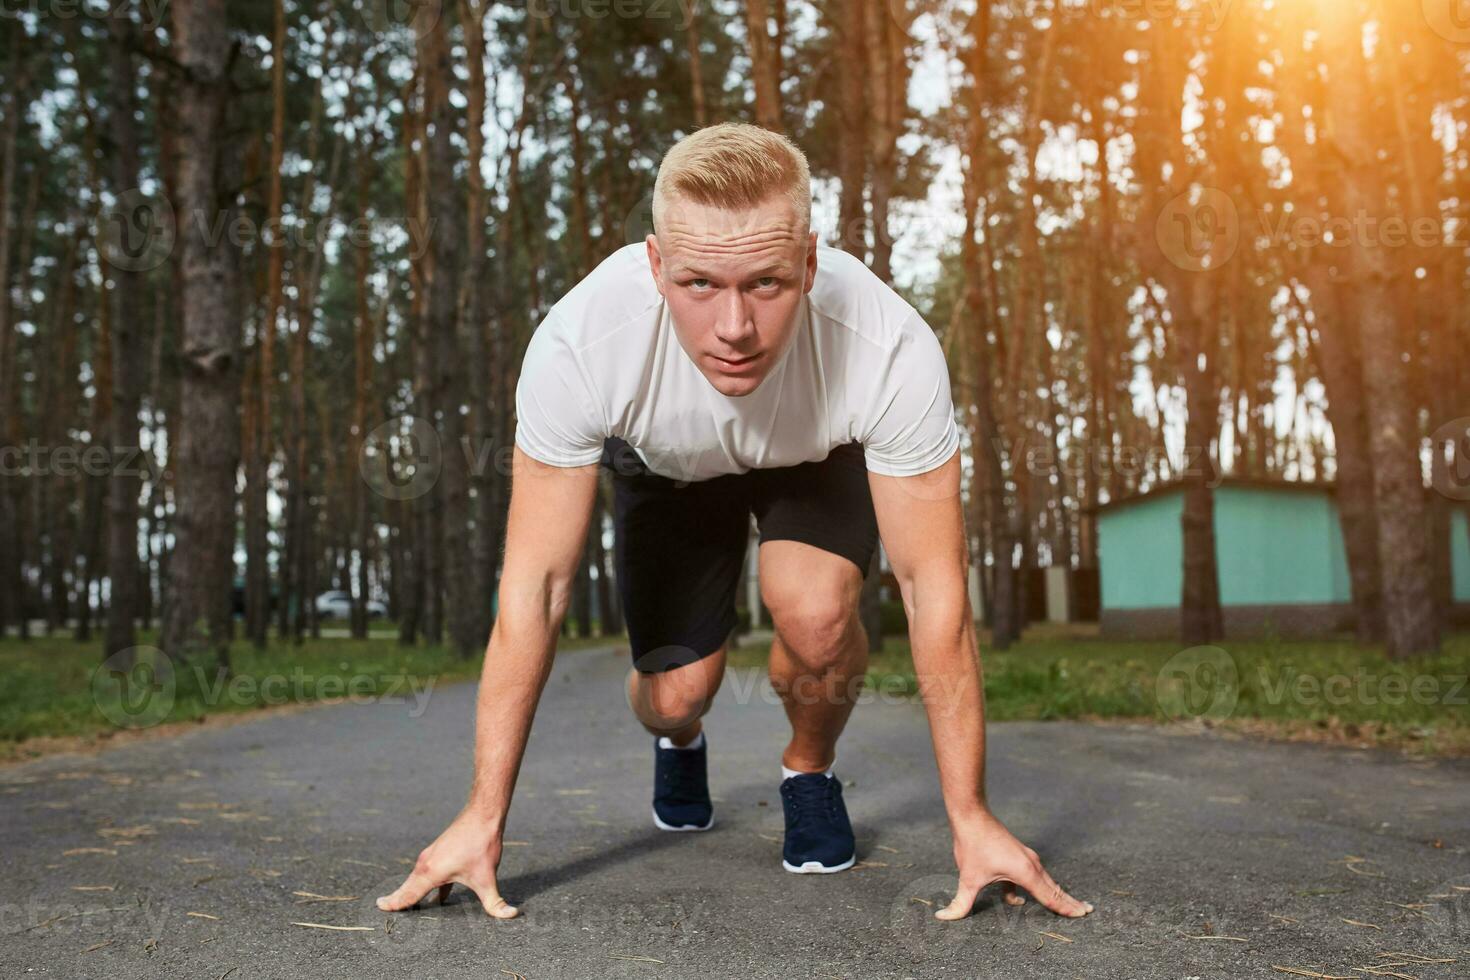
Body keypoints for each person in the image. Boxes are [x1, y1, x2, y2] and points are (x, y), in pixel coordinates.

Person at [377, 123, 1093, 922]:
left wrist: (971, 816)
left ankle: (808, 770)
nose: (734, 329)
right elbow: (536, 590)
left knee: (819, 616)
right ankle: (680, 741)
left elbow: (934, 591)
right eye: (698, 285)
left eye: (766, 284)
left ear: (810, 263)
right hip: (669, 469)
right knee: (679, 695)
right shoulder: (581, 346)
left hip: (811, 455)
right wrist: (482, 815)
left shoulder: (889, 349)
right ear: (654, 266)